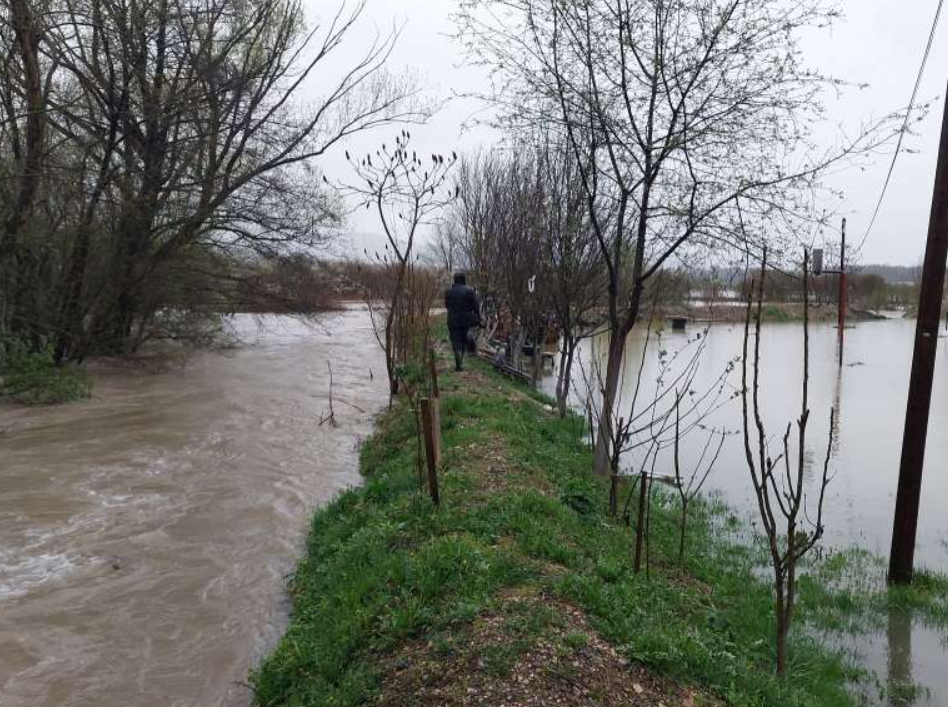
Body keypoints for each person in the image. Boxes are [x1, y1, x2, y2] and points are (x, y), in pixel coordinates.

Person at [444, 272, 481, 371]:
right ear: (464, 280)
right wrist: (478, 318)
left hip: (452, 320)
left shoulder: (448, 292)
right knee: (463, 338)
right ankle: (469, 342)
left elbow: (447, 305)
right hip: (465, 320)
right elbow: (475, 307)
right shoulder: (470, 291)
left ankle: (458, 366)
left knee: (456, 341)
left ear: (454, 280)